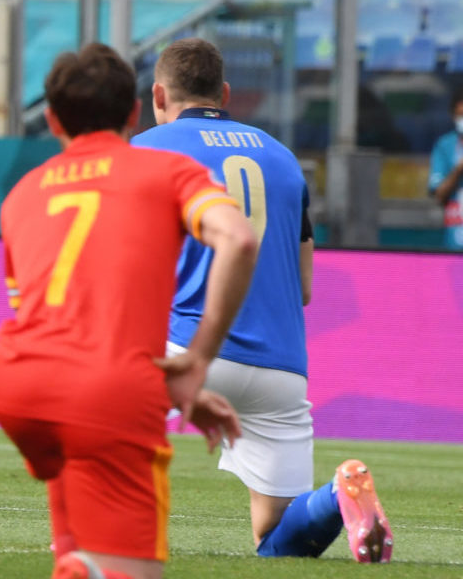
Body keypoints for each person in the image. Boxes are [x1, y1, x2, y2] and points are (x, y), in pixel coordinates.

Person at [0, 43, 255, 579]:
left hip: (17, 385)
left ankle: (79, 565)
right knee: (132, 570)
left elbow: (53, 321)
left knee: (78, 533)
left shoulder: (21, 194)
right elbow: (240, 241)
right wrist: (197, 361)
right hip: (106, 393)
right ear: (134, 111)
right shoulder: (168, 172)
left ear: (54, 120)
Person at [132, 37, 393, 564]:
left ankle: (83, 535)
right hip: (279, 366)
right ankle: (335, 497)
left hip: (186, 348)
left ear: (158, 95)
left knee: (92, 409)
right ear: (224, 93)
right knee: (279, 542)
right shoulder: (283, 158)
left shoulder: (145, 151)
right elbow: (304, 287)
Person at [428, 87, 463, 250]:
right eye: (460, 115)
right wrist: (458, 170)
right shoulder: (445, 145)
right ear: (453, 115)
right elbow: (439, 196)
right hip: (454, 244)